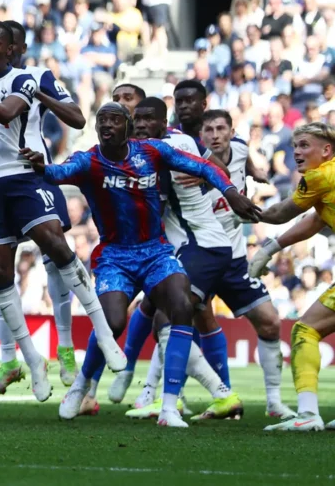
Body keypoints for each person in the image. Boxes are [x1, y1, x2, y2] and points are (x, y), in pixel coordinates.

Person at [21, 102, 259, 428]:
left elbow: (203, 167)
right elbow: (57, 173)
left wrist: (230, 191)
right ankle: (82, 384)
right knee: (114, 322)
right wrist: (39, 167)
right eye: (102, 120)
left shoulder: (152, 152)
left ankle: (169, 408)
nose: (107, 125)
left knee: (181, 306)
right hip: (115, 256)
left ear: (127, 126)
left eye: (114, 120)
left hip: (156, 252)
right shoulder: (88, 160)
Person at [0, 23, 123, 405]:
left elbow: (77, 118)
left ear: (15, 48)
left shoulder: (32, 77)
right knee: (1, 273)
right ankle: (25, 360)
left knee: (55, 250)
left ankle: (81, 341)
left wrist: (40, 94)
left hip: (28, 174)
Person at [109, 98, 250, 422]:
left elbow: (213, 168)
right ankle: (180, 395)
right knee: (169, 312)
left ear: (162, 121)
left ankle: (183, 395)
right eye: (136, 119)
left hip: (205, 245)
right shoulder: (145, 151)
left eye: (147, 119)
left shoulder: (175, 145)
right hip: (185, 246)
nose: (141, 125)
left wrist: (215, 181)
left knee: (167, 315)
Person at [199, 109, 296, 420]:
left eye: (220, 129)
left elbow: (245, 159)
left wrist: (256, 172)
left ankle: (274, 403)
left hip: (235, 258)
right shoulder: (191, 161)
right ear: (200, 135)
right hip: (198, 255)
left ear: (231, 131)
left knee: (270, 322)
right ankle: (185, 396)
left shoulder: (240, 149)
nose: (214, 135)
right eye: (208, 130)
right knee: (178, 322)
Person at [248, 122, 335, 430]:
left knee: (305, 332)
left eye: (305, 146)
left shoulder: (319, 176)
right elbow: (315, 219)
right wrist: (271, 247)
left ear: (326, 150)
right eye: (295, 145)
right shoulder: (330, 178)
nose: (296, 151)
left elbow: (281, 213)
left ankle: (308, 415)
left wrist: (244, 205)